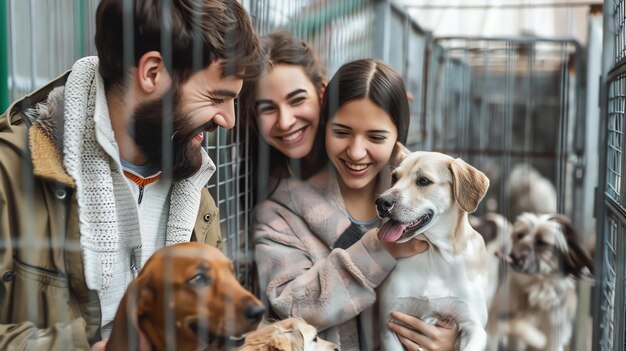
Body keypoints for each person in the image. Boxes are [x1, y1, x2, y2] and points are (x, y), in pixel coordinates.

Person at [0, 0, 262, 349]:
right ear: (153, 72)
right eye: (216, 97)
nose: (227, 119)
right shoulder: (10, 174)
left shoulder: (195, 193)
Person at [253, 59, 458, 351]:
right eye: (341, 132)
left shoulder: (433, 199)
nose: (356, 152)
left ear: (398, 136)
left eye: (376, 137)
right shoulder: (280, 213)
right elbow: (290, 306)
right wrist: (377, 251)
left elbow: (464, 290)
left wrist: (454, 341)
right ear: (324, 125)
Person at [240, 30, 327, 203]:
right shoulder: (259, 178)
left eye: (297, 100)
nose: (285, 122)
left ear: (322, 93)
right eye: (267, 109)